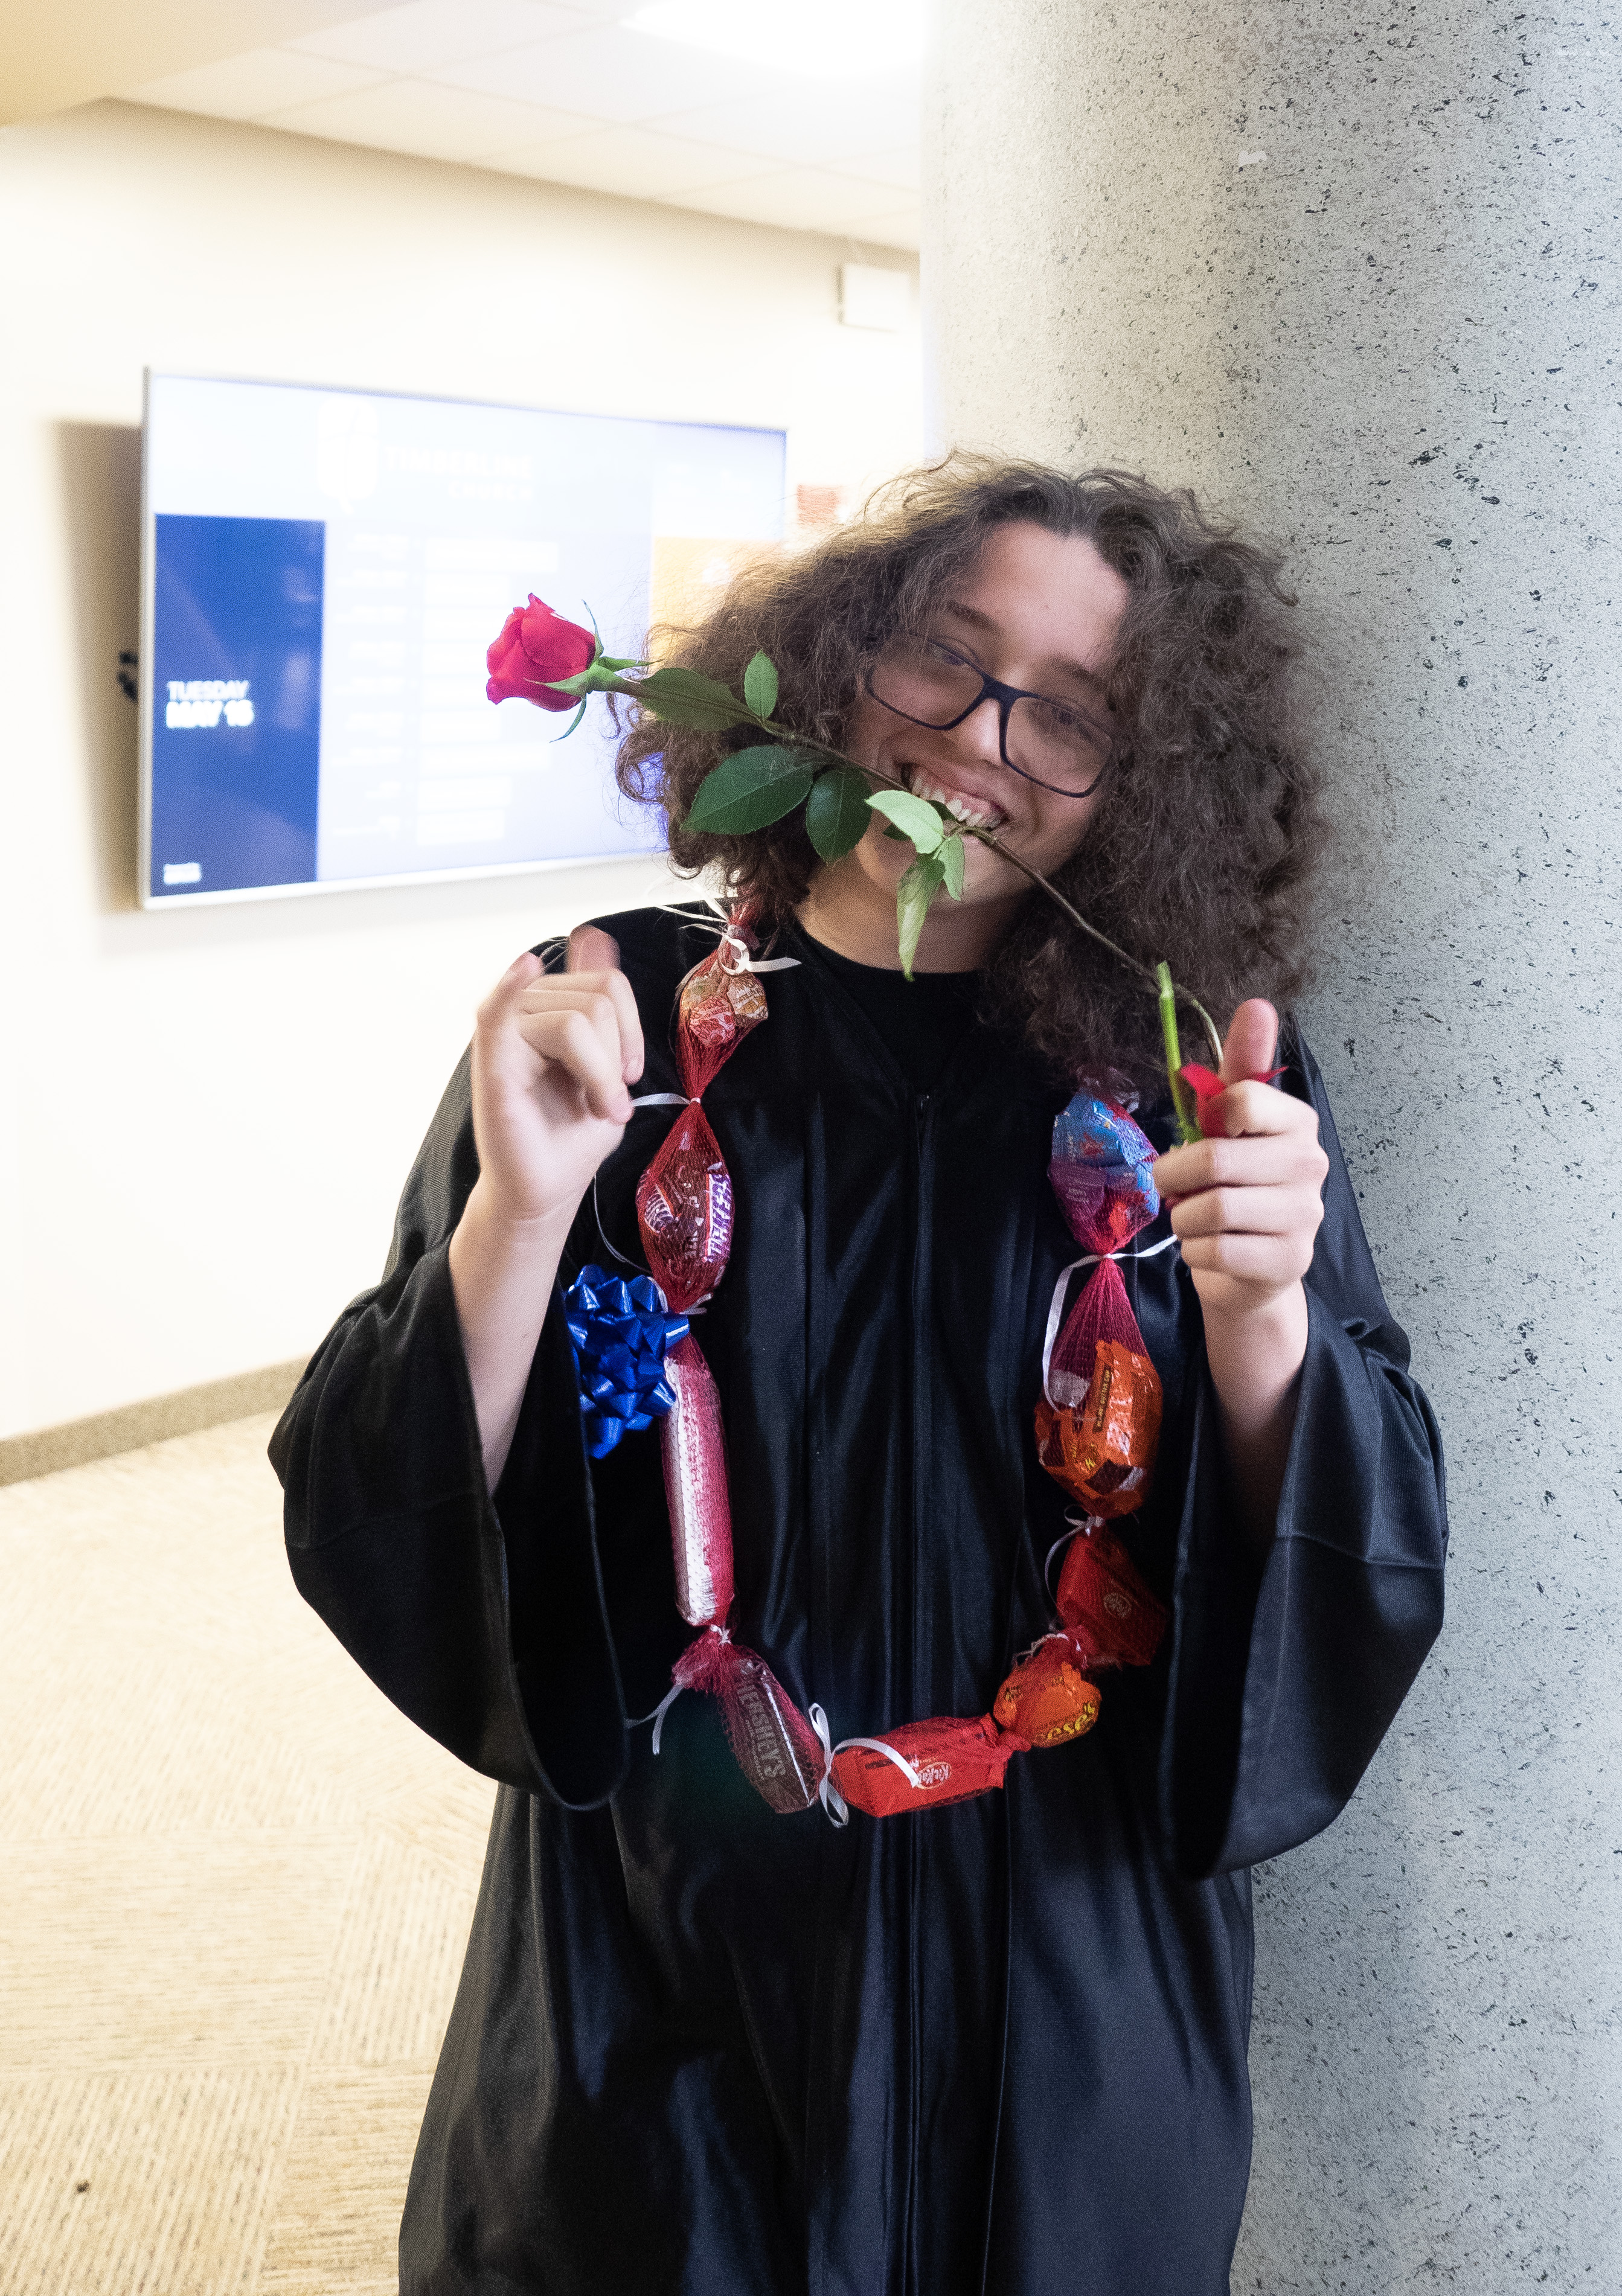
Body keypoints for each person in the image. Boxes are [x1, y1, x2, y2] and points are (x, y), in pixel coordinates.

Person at [271, 458, 1447, 2296]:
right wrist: (519, 1206)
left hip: (1057, 1966)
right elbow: (384, 1489)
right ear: (837, 665)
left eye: (1070, 713)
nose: (982, 740)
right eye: (946, 659)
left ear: (1137, 780)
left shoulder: (1185, 1085)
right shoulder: (622, 1019)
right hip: (668, 1945)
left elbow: (1353, 1553)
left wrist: (1265, 1316)